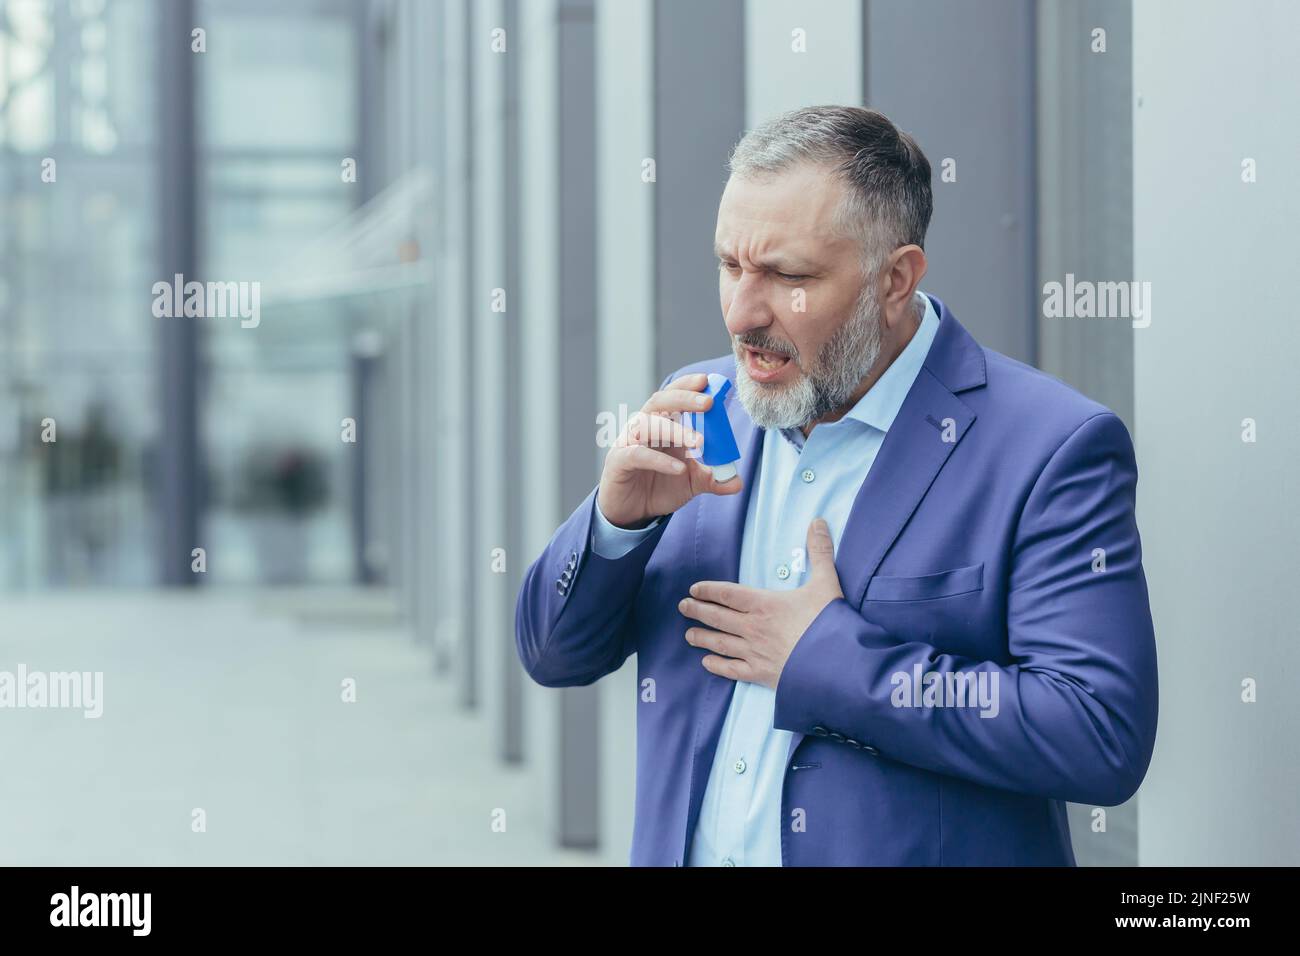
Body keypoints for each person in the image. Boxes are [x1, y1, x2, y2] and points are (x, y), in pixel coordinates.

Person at [515, 105, 1158, 866]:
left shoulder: (1049, 447)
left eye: (788, 276)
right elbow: (553, 656)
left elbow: (1097, 733)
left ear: (896, 279)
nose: (741, 312)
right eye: (730, 265)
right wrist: (614, 523)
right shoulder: (702, 409)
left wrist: (834, 660)